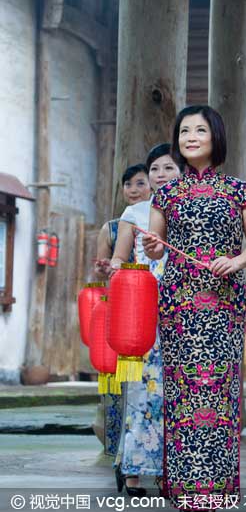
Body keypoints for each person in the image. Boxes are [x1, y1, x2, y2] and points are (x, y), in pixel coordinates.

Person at [142, 105, 246, 512]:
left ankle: (215, 490)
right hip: (178, 302)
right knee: (181, 391)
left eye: (199, 129)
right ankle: (187, 492)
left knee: (219, 391)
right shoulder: (165, 193)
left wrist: (236, 262)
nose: (190, 136)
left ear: (216, 135)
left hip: (224, 301)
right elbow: (155, 245)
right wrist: (153, 247)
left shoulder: (238, 189)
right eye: (183, 131)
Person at [109, 144, 181, 496]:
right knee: (143, 390)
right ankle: (134, 469)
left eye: (169, 168)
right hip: (144, 308)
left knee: (177, 392)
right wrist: (116, 270)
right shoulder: (134, 212)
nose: (161, 175)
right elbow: (120, 258)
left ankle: (171, 469)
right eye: (155, 169)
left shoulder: (188, 210)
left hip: (183, 309)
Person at [93, 164, 150, 472]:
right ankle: (117, 450)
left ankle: (139, 454)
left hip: (147, 311)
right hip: (121, 312)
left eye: (139, 183)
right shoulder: (111, 228)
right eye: (127, 184)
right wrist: (104, 269)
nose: (132, 189)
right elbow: (101, 269)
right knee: (116, 386)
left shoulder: (158, 221)